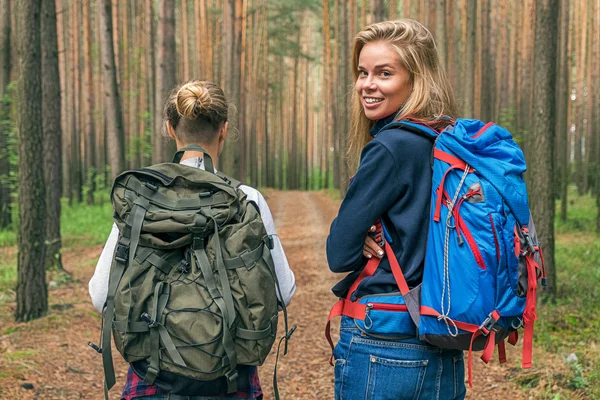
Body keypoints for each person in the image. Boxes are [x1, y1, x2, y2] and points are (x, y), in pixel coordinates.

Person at [89, 80, 296, 400]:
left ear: (170, 129)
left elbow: (101, 294)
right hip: (229, 382)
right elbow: (284, 292)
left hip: (152, 382)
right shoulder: (246, 199)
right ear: (224, 129)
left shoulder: (143, 202)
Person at [326, 19, 466, 399]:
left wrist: (364, 234)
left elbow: (338, 252)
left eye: (384, 73)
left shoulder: (390, 147)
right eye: (362, 72)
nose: (367, 85)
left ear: (416, 79)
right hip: (443, 338)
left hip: (383, 340)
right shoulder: (448, 139)